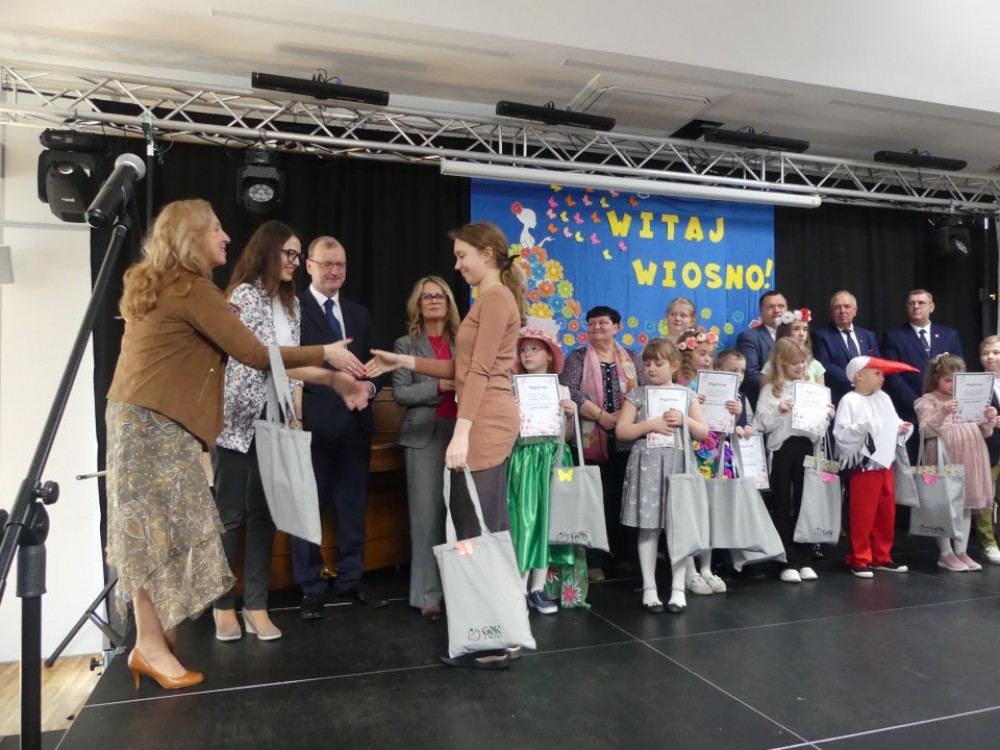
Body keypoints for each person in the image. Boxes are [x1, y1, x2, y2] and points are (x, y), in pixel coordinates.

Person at [105, 199, 366, 689]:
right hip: (156, 423)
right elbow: (253, 354)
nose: (226, 237)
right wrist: (327, 354)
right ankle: (152, 643)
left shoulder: (173, 284)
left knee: (155, 531)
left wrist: (329, 379)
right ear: (190, 237)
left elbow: (262, 361)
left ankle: (153, 640)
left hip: (147, 419)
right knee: (158, 532)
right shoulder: (191, 287)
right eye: (216, 229)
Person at [367, 220, 525, 670]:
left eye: (462, 256)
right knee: (483, 529)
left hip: (485, 422)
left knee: (479, 530)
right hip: (484, 418)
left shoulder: (496, 299)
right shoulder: (489, 299)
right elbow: (462, 368)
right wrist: (403, 360)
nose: (457, 266)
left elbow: (479, 374)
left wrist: (462, 430)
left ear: (487, 254)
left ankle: (492, 641)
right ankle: (501, 632)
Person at [213, 221, 349, 642]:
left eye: (297, 255)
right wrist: (325, 359)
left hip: (276, 419)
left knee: (265, 514)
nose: (293, 261)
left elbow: (290, 366)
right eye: (288, 254)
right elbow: (261, 356)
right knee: (230, 515)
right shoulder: (244, 295)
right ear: (268, 252)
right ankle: (223, 605)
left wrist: (303, 405)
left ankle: (256, 603)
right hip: (237, 421)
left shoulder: (291, 305)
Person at [293, 236, 387, 618]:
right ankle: (311, 587)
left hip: (355, 426)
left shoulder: (359, 313)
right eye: (327, 264)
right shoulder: (292, 309)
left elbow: (377, 366)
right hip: (311, 427)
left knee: (352, 508)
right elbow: (285, 365)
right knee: (307, 511)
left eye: (341, 265)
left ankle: (350, 579)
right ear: (309, 266)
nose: (335, 271)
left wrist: (370, 387)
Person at [616, 338, 709, 614]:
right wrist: (651, 424)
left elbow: (703, 432)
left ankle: (678, 588)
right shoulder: (637, 395)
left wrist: (684, 420)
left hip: (678, 465)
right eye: (647, 364)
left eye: (658, 363)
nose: (651, 369)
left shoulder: (686, 395)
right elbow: (622, 431)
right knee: (648, 527)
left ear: (674, 365)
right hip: (647, 465)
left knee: (678, 526)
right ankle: (650, 587)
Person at [392, 276, 461, 622]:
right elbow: (401, 393)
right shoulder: (405, 344)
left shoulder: (464, 341)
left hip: (463, 435)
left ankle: (461, 590)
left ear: (449, 303)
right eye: (426, 296)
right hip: (424, 437)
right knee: (426, 518)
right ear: (417, 305)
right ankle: (427, 595)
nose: (433, 300)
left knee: (460, 516)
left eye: (440, 295)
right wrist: (439, 385)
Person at [560, 305, 647, 578]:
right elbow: (569, 391)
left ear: (617, 327)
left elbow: (644, 390)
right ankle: (594, 559)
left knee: (624, 497)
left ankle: (622, 555)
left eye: (603, 323)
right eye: (592, 324)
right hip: (588, 440)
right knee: (593, 498)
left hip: (626, 439)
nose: (596, 328)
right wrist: (601, 416)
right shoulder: (577, 358)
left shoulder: (633, 357)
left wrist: (624, 416)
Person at [507, 319, 585, 613]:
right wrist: (510, 413)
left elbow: (566, 436)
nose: (527, 354)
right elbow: (507, 433)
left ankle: (537, 589)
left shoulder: (562, 391)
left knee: (551, 520)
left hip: (554, 459)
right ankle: (517, 588)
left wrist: (570, 415)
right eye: (523, 350)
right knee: (525, 519)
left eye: (534, 349)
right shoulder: (512, 388)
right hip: (525, 459)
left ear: (550, 355)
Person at [754, 338, 834, 583]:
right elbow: (761, 423)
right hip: (782, 449)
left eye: (803, 362)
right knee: (782, 503)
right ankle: (785, 560)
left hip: (806, 447)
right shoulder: (772, 390)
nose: (800, 367)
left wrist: (827, 414)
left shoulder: (812, 389)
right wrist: (779, 410)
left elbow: (819, 427)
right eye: (794, 363)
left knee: (805, 503)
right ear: (781, 364)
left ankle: (804, 558)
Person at [833, 356, 917, 578]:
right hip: (863, 466)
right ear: (859, 375)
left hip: (885, 461)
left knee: (885, 511)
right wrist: (865, 427)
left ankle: (882, 556)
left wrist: (901, 427)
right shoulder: (849, 401)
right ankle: (860, 557)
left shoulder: (884, 398)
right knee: (863, 512)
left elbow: (893, 421)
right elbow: (841, 434)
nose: (882, 378)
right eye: (877, 373)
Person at [915, 354, 998, 571]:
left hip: (972, 452)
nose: (952, 385)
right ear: (936, 379)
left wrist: (989, 419)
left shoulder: (968, 398)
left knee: (965, 506)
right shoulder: (929, 400)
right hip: (945, 454)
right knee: (945, 503)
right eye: (947, 380)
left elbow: (985, 431)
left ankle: (961, 551)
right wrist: (942, 412)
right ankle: (946, 553)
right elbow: (924, 430)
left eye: (957, 380)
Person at [680, 333, 742, 596]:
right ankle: (689, 570)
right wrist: (693, 405)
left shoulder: (718, 382)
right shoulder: (680, 384)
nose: (707, 358)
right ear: (687, 354)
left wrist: (735, 411)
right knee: (688, 511)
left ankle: (706, 567)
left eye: (710, 354)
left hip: (715, 452)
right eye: (701, 353)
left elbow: (727, 424)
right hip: (689, 452)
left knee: (710, 511)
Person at [881, 289, 963, 461]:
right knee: (914, 466)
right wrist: (919, 404)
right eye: (912, 303)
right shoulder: (893, 336)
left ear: (931, 307)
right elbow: (893, 377)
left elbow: (959, 373)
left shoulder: (949, 335)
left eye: (921, 303)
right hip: (910, 412)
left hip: (946, 414)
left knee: (948, 467)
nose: (916, 306)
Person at [812, 291, 880, 406]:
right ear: (831, 312)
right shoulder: (821, 335)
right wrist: (856, 382)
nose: (842, 311)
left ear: (855, 311)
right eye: (837, 307)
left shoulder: (868, 336)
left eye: (847, 306)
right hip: (839, 399)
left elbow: (877, 363)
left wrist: (870, 383)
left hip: (869, 398)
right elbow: (825, 365)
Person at [737, 290, 789, 408]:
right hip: (765, 404)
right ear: (761, 311)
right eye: (770, 306)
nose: (777, 310)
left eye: (781, 306)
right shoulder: (749, 337)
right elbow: (751, 376)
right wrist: (786, 385)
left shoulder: (796, 334)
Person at [759, 309, 825, 387]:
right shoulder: (770, 366)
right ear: (784, 332)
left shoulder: (816, 365)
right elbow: (766, 393)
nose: (802, 334)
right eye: (796, 329)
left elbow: (821, 393)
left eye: (805, 329)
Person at [978, 335, 1000, 563]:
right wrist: (990, 421)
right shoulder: (975, 383)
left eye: (995, 352)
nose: (990, 357)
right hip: (987, 444)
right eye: (985, 353)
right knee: (985, 497)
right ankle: (988, 543)